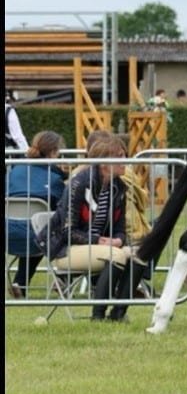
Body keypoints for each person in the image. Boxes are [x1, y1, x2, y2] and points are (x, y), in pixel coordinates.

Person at [36, 134, 136, 321]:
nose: (126, 161)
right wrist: (100, 241)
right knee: (118, 255)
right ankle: (97, 316)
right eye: (120, 157)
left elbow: (121, 228)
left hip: (99, 247)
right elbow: (68, 231)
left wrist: (118, 240)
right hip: (65, 250)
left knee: (140, 254)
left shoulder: (119, 187)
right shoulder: (79, 183)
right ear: (104, 162)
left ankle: (117, 314)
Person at [6, 130, 68, 298]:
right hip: (37, 237)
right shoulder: (54, 179)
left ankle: (21, 283)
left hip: (8, 233)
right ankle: (65, 278)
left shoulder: (14, 171)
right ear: (54, 153)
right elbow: (65, 210)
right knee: (59, 231)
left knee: (36, 231)